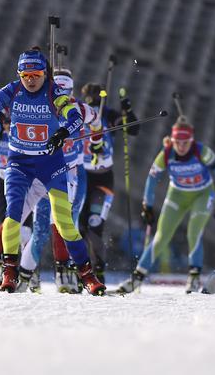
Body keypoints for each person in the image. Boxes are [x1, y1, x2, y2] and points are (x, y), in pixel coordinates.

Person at [0, 47, 105, 295]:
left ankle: (86, 275)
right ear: (19, 74)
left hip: (51, 165)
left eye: (36, 75)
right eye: (26, 75)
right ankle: (9, 273)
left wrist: (63, 132)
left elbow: (74, 116)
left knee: (64, 223)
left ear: (45, 74)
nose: (31, 80)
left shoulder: (54, 92)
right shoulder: (12, 90)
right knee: (13, 218)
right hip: (19, 164)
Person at [115, 117, 215, 294]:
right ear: (172, 140)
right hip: (177, 194)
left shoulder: (202, 151)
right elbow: (151, 180)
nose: (181, 146)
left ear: (191, 141)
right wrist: (148, 206)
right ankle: (136, 279)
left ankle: (194, 278)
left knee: (194, 232)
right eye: (177, 142)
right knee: (161, 236)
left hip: (203, 194)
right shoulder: (166, 153)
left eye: (185, 143)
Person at [78, 82, 139, 282]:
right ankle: (82, 270)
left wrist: (127, 108)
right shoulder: (78, 113)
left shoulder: (108, 114)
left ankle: (99, 271)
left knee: (95, 224)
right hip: (81, 177)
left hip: (103, 177)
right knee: (79, 227)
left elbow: (133, 128)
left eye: (95, 95)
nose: (92, 100)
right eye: (89, 96)